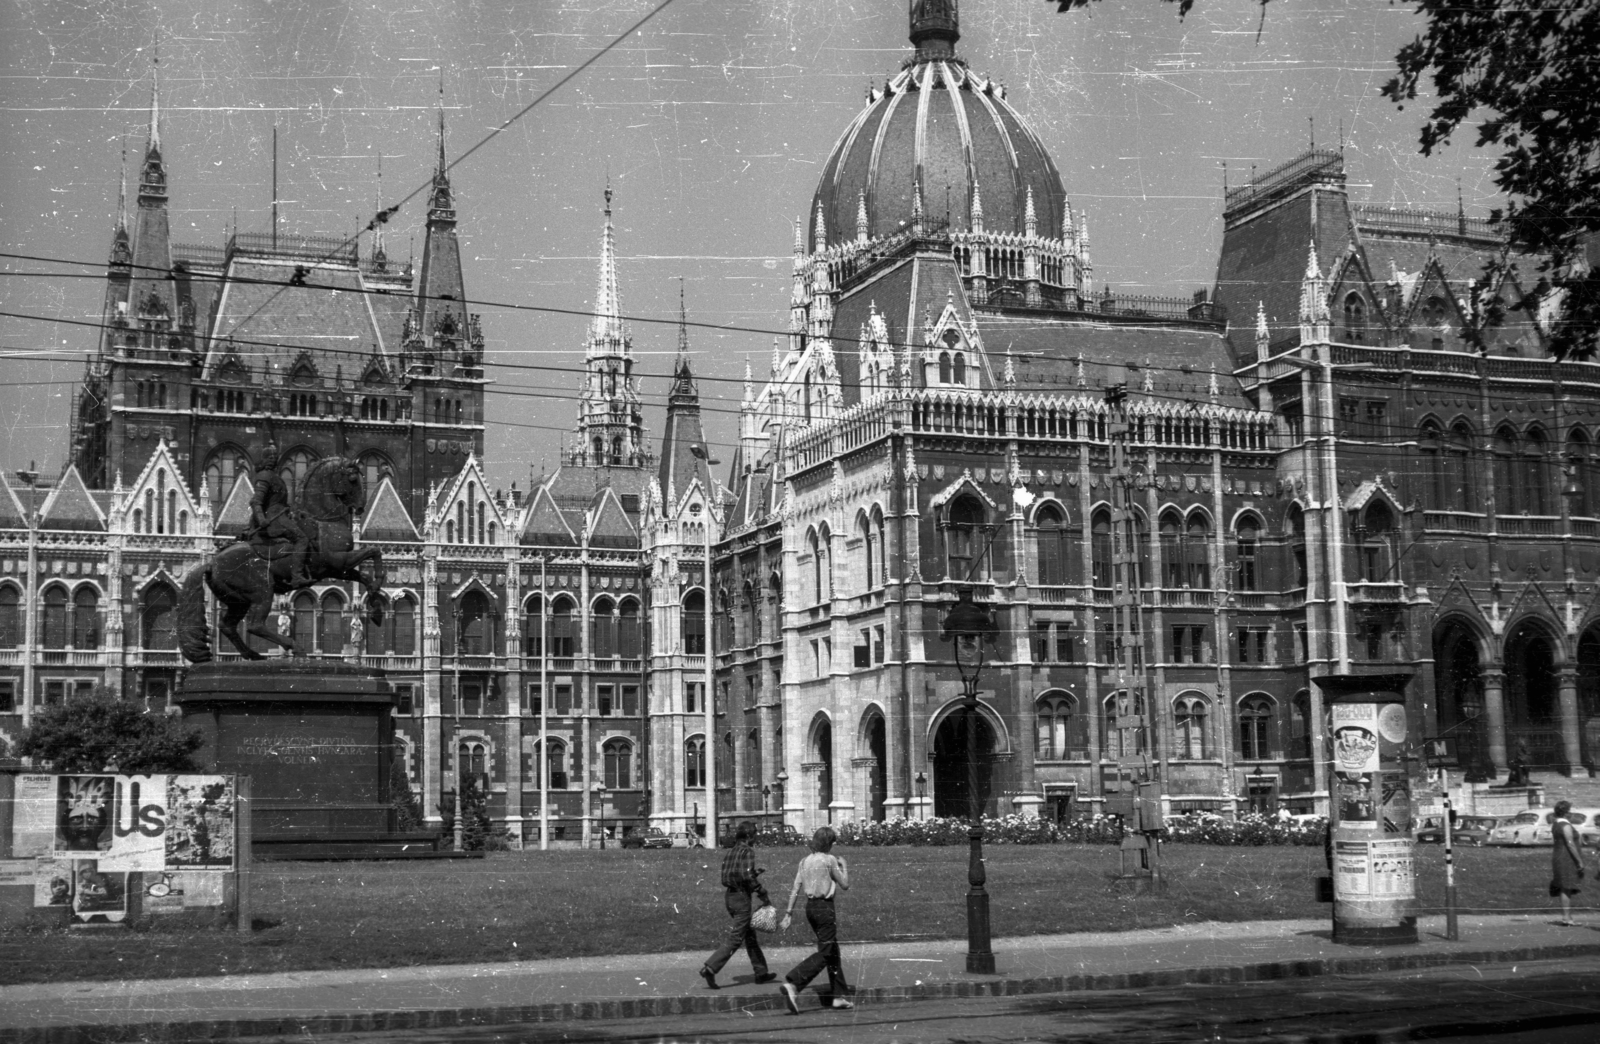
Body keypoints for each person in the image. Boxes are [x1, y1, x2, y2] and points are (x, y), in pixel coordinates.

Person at [778, 826, 855, 1014]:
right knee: (826, 951)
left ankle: (838, 996)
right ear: (828, 843)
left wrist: (788, 914)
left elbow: (796, 887)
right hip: (825, 908)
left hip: (810, 908)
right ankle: (794, 984)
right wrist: (844, 866)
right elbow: (844, 884)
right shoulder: (829, 860)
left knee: (832, 949)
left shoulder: (804, 861)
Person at [699, 821, 776, 989]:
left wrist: (754, 873)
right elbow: (747, 877)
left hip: (730, 897)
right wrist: (761, 891)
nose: (755, 838)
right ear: (748, 836)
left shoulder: (731, 852)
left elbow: (736, 875)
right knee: (737, 937)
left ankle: (761, 972)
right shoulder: (747, 851)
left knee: (749, 935)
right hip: (742, 898)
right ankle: (711, 967)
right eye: (754, 835)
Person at [247, 443, 311, 587]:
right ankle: (297, 576)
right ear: (263, 459)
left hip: (281, 517)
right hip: (273, 521)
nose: (272, 459)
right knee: (302, 539)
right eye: (269, 457)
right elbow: (256, 501)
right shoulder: (264, 476)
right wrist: (262, 519)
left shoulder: (274, 477)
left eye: (275, 457)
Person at [1550, 800, 1586, 925]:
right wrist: (1579, 861)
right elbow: (1570, 844)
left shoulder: (1556, 823)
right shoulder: (1565, 825)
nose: (1572, 813)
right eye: (1570, 811)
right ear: (1566, 812)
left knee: (1565, 887)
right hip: (1566, 858)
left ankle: (1567, 917)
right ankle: (1567, 917)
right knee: (1566, 887)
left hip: (1559, 856)